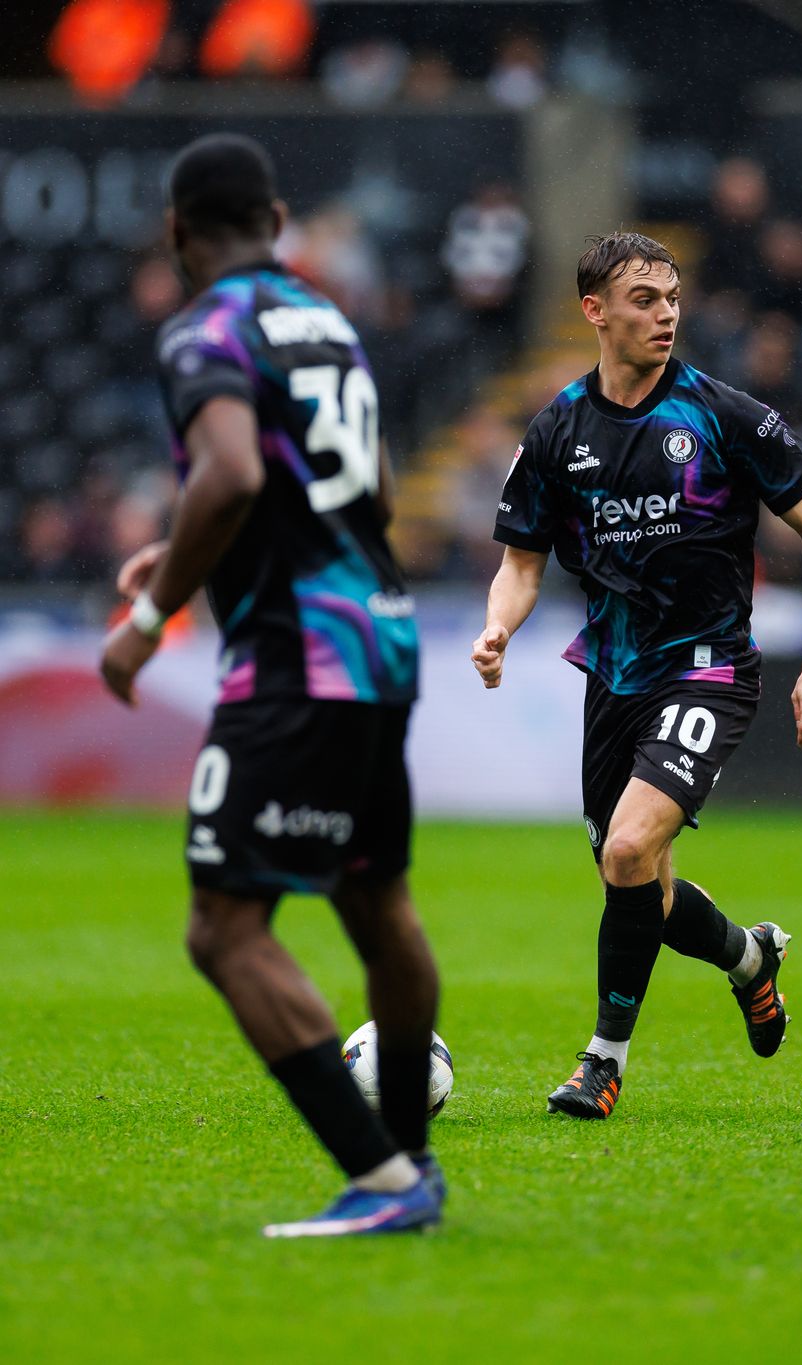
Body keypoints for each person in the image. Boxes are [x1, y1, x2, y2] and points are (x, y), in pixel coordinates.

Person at [99, 133, 444, 1232]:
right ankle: (410, 1163)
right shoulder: (327, 321)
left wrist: (148, 620)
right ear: (279, 220)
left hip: (297, 659)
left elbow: (235, 471)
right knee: (375, 899)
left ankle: (385, 1181)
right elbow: (369, 487)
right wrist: (196, 545)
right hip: (380, 636)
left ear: (175, 230)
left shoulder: (205, 327)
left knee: (224, 929)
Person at [471, 231, 802, 1119]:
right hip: (614, 675)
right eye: (643, 299)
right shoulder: (558, 429)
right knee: (637, 880)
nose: (666, 313)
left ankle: (601, 1063)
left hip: (709, 666)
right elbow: (520, 563)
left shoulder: (723, 414)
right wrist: (497, 626)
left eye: (672, 297)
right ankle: (750, 958)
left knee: (628, 848)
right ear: (595, 311)